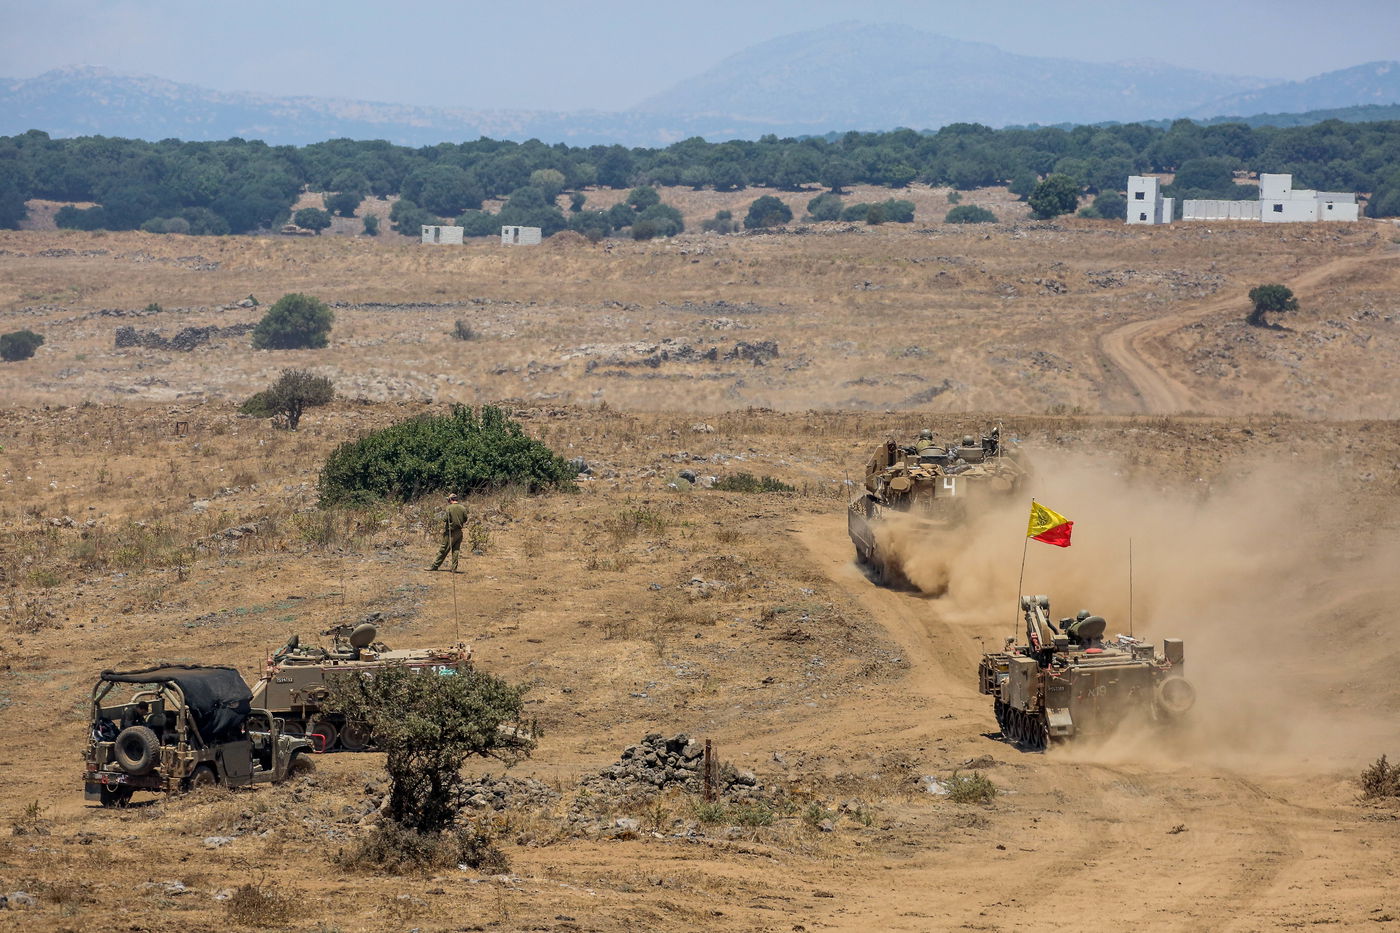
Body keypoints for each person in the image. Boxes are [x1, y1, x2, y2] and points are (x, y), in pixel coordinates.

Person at [428, 493, 469, 572]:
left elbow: (445, 518)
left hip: (450, 533)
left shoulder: (449, 508)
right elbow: (465, 519)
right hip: (459, 532)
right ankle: (454, 568)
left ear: (450, 500)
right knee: (456, 550)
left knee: (443, 549)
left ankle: (434, 566)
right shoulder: (463, 508)